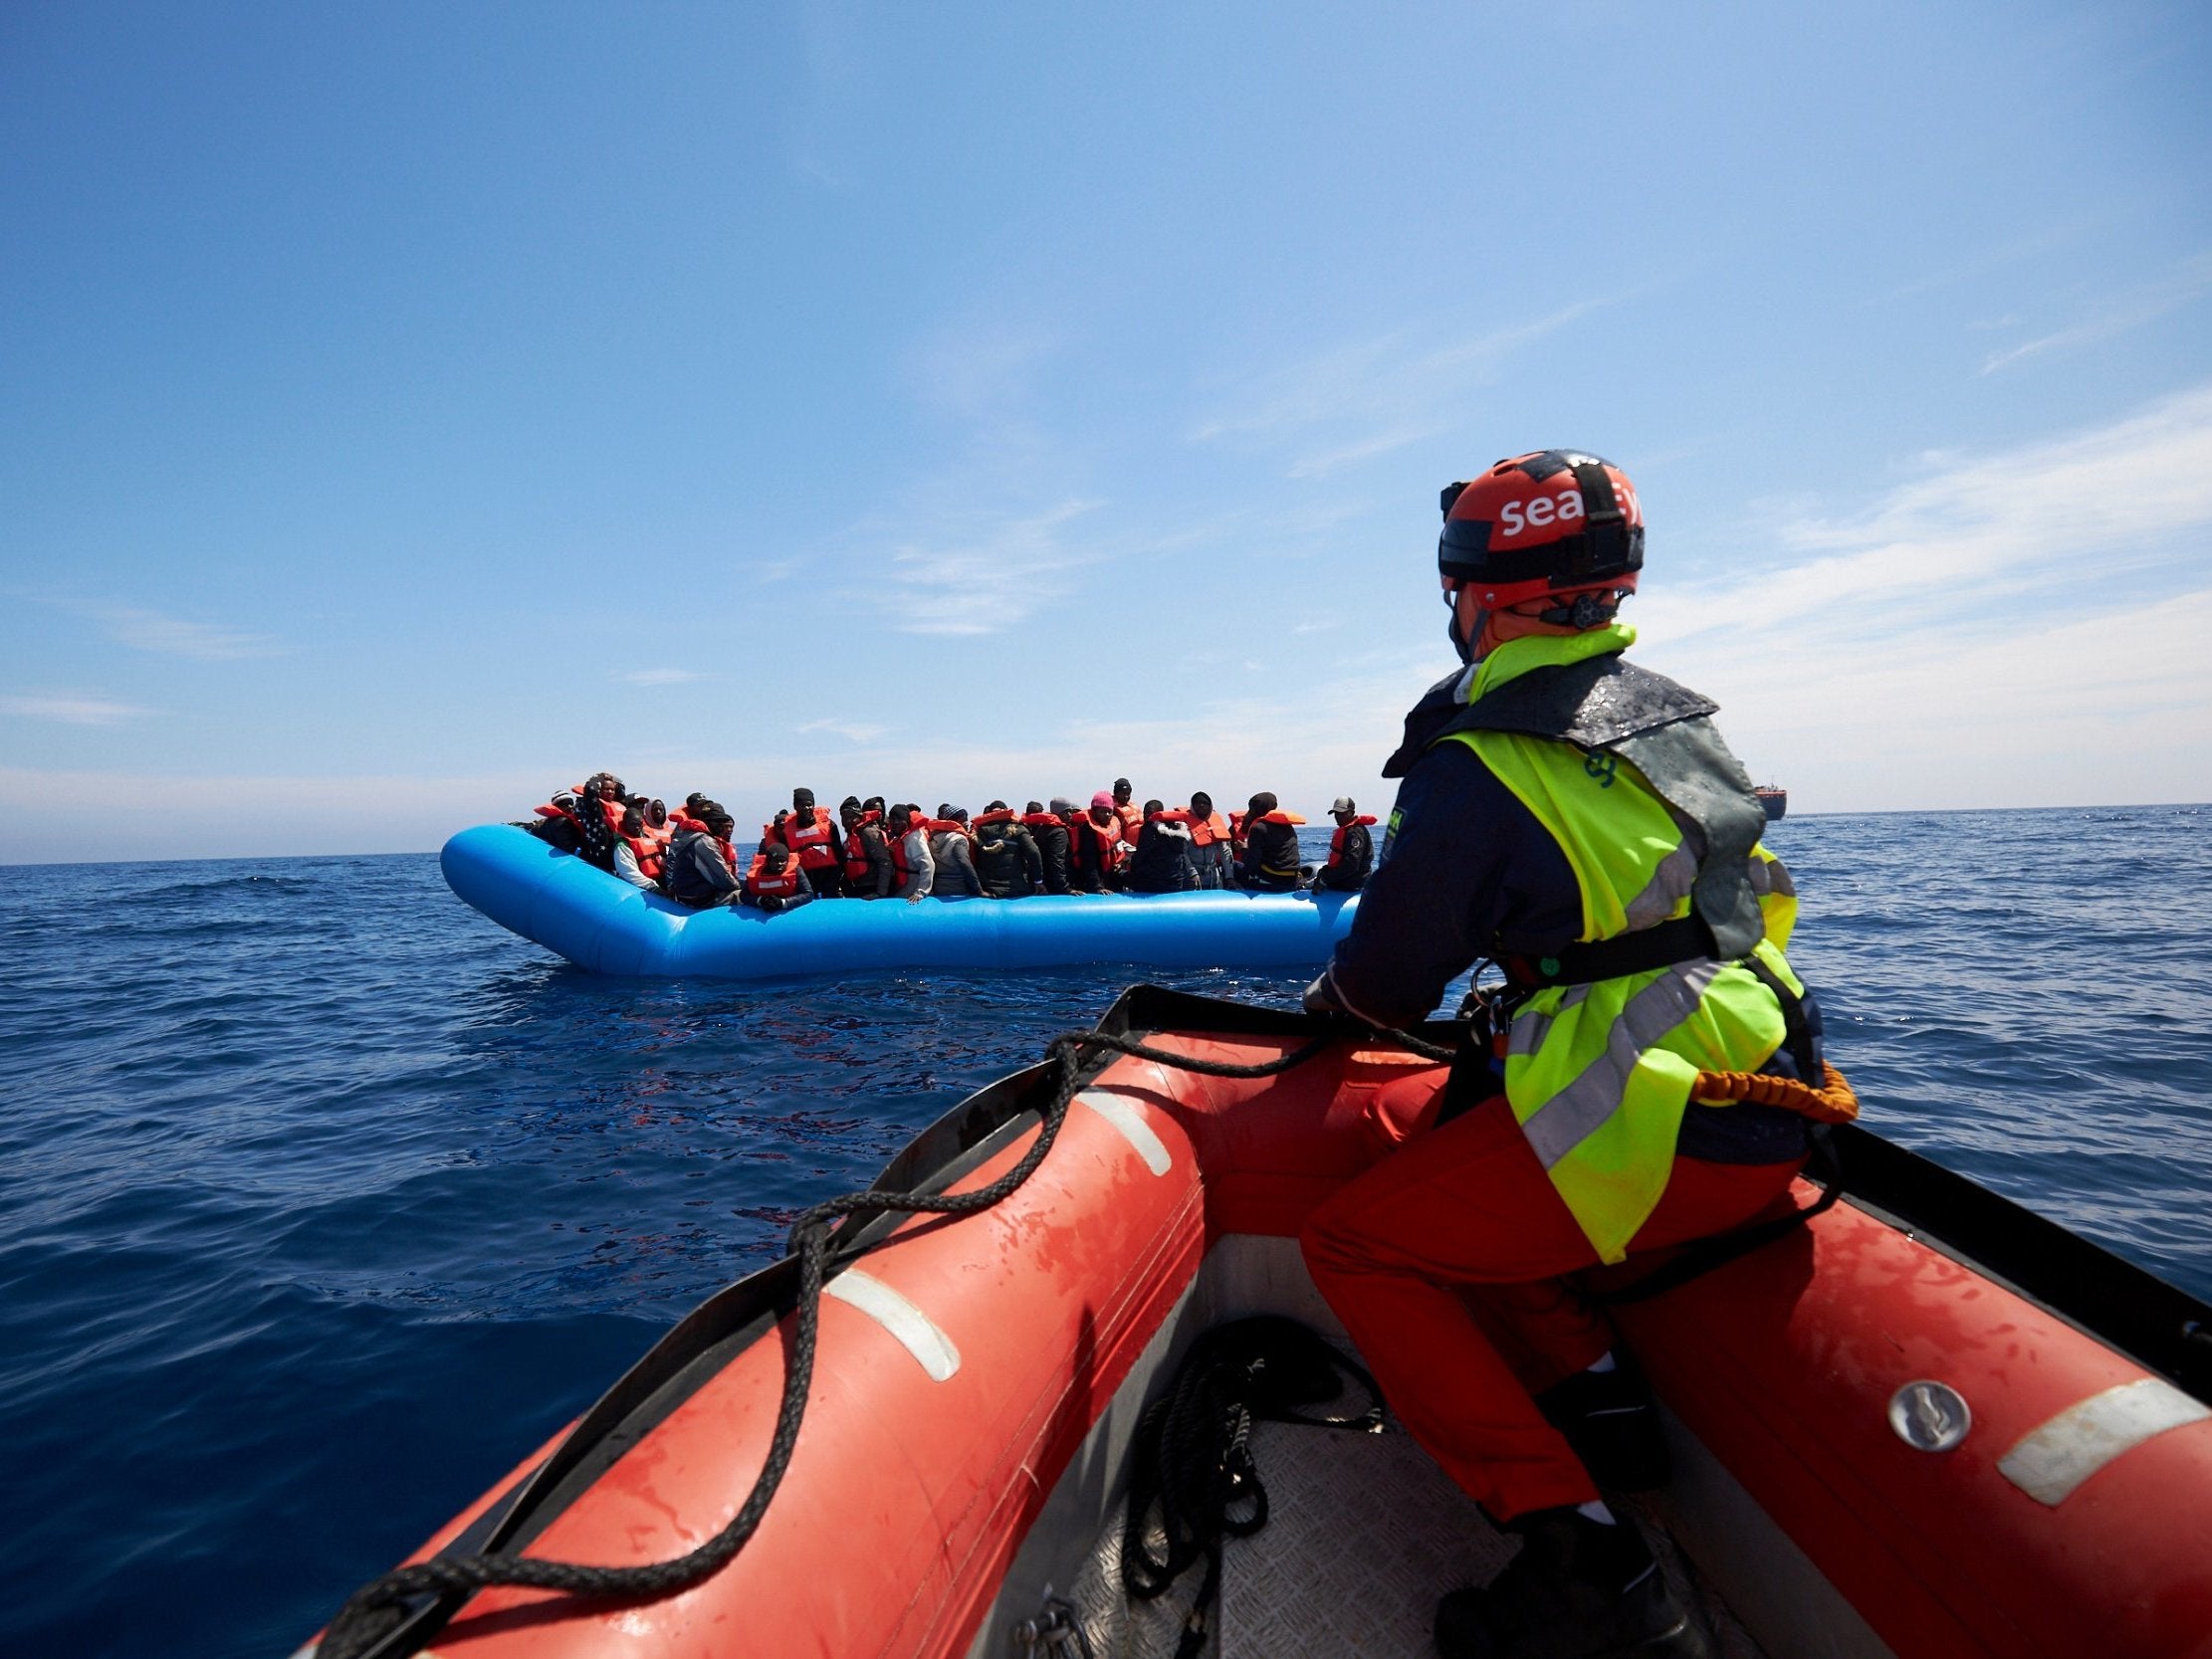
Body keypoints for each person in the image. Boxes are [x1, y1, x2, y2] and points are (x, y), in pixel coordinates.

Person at [1297, 450, 1835, 1659]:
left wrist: (1328, 1006)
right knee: (1452, 1142)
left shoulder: (1483, 759)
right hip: (1770, 1083)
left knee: (1357, 1243)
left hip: (1656, 1127)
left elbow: (1384, 980)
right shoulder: (1679, 720)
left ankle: (1581, 1548)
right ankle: (1599, 1395)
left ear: (1479, 595)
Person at [763, 787, 845, 898]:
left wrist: (839, 875)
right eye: (803, 805)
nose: (807, 808)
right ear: (795, 806)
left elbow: (839, 852)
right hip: (805, 876)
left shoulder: (830, 825)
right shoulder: (787, 830)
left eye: (810, 805)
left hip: (829, 874)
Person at [664, 806, 744, 908]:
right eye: (717, 822)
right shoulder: (704, 841)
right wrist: (744, 886)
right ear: (707, 822)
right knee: (748, 894)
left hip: (685, 893)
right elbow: (723, 879)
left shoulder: (688, 836)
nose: (721, 826)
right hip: (697, 899)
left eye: (722, 821)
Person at [973, 802, 1045, 898]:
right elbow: (1033, 853)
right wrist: (1038, 881)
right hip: (1017, 887)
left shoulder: (979, 833)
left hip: (989, 889)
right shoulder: (1019, 829)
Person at [1124, 799, 1197, 893]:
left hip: (1153, 883)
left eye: (1150, 813)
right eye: (1145, 813)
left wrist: (1132, 868)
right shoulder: (1178, 830)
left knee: (1118, 875)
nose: (1146, 816)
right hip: (1175, 882)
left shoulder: (1149, 829)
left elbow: (1140, 857)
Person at [1236, 792, 1304, 891]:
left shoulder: (1258, 828)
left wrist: (1243, 849)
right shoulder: (1287, 826)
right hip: (1291, 880)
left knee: (1234, 867)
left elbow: (1251, 866)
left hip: (1271, 880)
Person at [1068, 790, 1128, 893]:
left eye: (1109, 811)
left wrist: (1120, 862)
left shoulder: (1113, 825)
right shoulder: (1088, 831)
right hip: (1094, 879)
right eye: (1102, 811)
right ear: (1095, 812)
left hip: (1112, 873)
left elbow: (1119, 846)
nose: (1107, 814)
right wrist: (1098, 887)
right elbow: (1089, 863)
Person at [1313, 796, 1377, 893]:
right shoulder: (1346, 830)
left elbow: (1351, 864)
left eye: (1342, 813)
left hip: (1353, 882)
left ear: (1351, 813)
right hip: (1346, 879)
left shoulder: (1355, 832)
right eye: (1336, 813)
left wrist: (1326, 879)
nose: (1338, 816)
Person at [840, 796, 894, 899]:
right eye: (844, 818)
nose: (847, 821)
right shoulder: (853, 833)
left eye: (851, 817)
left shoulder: (869, 832)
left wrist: (880, 892)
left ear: (859, 817)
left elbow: (885, 862)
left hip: (873, 887)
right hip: (859, 886)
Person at [740, 844, 815, 913]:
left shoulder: (796, 870)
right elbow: (743, 896)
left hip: (786, 903)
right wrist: (760, 900)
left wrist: (783, 902)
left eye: (782, 861)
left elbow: (808, 894)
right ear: (768, 862)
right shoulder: (756, 873)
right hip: (764, 903)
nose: (779, 864)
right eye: (776, 861)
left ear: (787, 861)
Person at [1183, 790, 1234, 889]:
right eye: (1197, 803)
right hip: (1192, 876)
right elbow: (1182, 853)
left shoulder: (1217, 824)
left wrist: (1229, 877)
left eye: (1205, 803)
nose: (1201, 805)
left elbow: (1225, 852)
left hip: (1214, 875)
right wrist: (1192, 871)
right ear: (1192, 806)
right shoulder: (1184, 826)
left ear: (1210, 806)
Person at [927, 807, 984, 897]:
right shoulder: (958, 839)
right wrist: (978, 889)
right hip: (957, 887)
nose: (966, 823)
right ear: (955, 821)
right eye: (964, 820)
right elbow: (964, 863)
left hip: (938, 886)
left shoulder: (933, 838)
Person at [886, 805, 935, 903]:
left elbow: (929, 865)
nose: (895, 822)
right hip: (905, 884)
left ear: (907, 821)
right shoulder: (902, 838)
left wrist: (920, 892)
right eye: (893, 819)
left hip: (914, 887)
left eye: (899, 819)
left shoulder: (914, 839)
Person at [1028, 799, 1075, 895]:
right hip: (1054, 884)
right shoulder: (1060, 832)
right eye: (1065, 812)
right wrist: (1065, 888)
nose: (1070, 815)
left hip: (1043, 880)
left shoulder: (1042, 829)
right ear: (1057, 813)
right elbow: (1057, 860)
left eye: (1070, 811)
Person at [610, 806, 662, 890]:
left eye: (639, 824)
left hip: (659, 883)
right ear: (625, 824)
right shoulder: (622, 846)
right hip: (644, 888)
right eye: (633, 824)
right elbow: (630, 873)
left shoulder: (648, 839)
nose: (637, 828)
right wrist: (654, 887)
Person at [1110, 777, 1145, 847]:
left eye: (1128, 793)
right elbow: (1111, 833)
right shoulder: (1111, 810)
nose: (1126, 796)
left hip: (1139, 846)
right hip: (1124, 848)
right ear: (1115, 793)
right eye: (1122, 793)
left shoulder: (1133, 806)